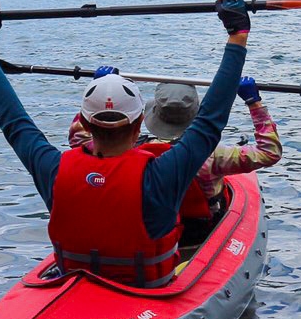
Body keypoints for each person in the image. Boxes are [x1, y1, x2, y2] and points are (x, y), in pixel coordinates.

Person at [0, 0, 252, 287]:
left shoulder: (54, 169)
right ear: (141, 122)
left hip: (75, 285)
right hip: (150, 292)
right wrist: (237, 35)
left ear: (85, 122)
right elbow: (210, 120)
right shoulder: (164, 174)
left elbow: (13, 120)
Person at [69, 77, 284, 245]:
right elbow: (269, 152)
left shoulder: (125, 150)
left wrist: (99, 93)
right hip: (198, 234)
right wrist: (254, 103)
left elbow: (78, 139)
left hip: (147, 231)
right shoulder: (213, 156)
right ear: (194, 114)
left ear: (154, 113)